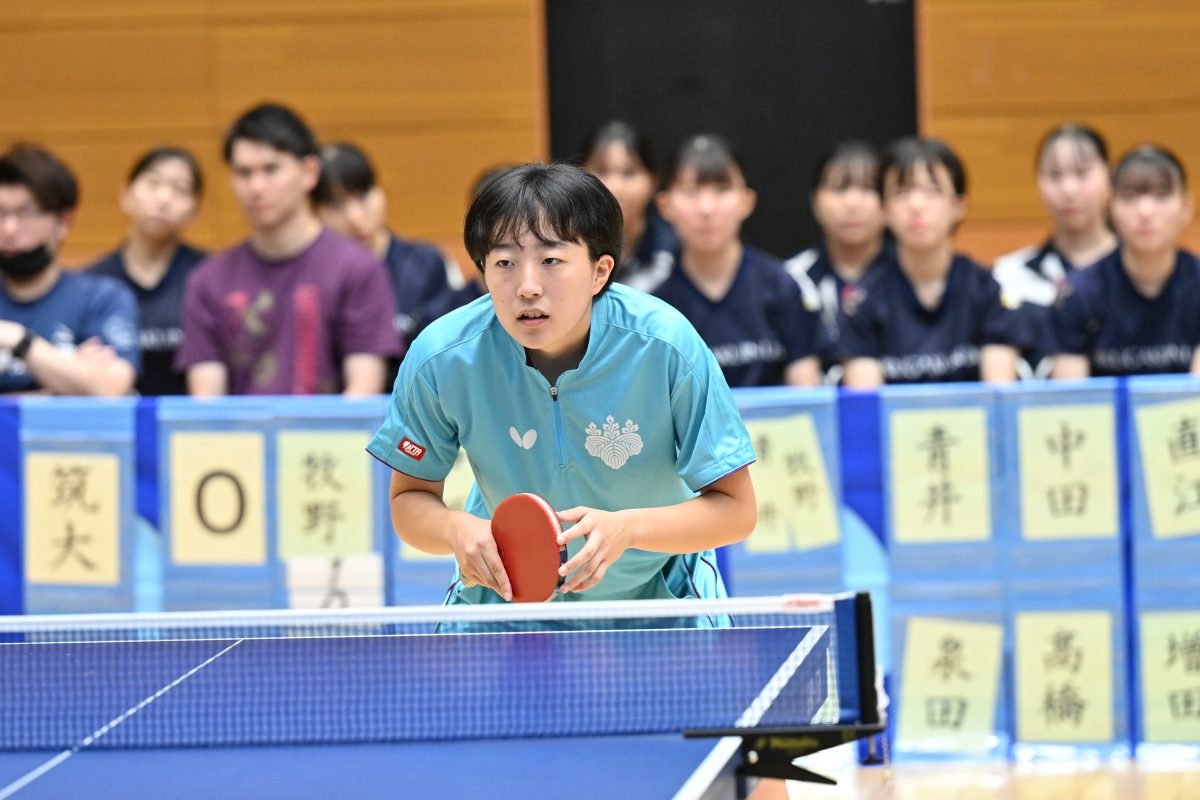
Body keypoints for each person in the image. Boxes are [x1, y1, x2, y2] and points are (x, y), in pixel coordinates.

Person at [366, 163, 756, 621]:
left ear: (599, 271)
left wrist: (628, 528)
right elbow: (409, 500)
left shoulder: (665, 346)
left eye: (551, 261)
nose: (527, 287)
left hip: (662, 598)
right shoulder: (442, 358)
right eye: (505, 263)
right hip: (507, 603)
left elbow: (736, 510)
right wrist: (456, 529)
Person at [176, 103, 400, 396]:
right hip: (241, 440)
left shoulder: (357, 269)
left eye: (271, 169)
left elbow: (363, 392)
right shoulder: (208, 280)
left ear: (309, 172)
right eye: (243, 173)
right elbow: (206, 405)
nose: (256, 186)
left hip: (328, 440)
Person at [838, 136, 1028, 386]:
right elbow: (867, 409)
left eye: (932, 191)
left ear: (958, 205)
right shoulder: (863, 300)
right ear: (884, 209)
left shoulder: (986, 290)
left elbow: (998, 399)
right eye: (901, 193)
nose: (916, 205)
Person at [642, 134, 822, 388]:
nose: (706, 208)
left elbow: (806, 400)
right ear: (665, 205)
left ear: (747, 201)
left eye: (722, 190)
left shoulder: (785, 287)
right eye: (691, 191)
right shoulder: (653, 309)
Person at [314, 142, 476, 367]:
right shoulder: (313, 277)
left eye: (363, 196)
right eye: (336, 205)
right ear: (314, 212)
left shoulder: (427, 264)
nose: (355, 217)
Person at [1051, 144, 1200, 378]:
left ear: (1187, 208)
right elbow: (1070, 403)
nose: (1145, 211)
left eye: (1161, 196)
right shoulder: (1078, 292)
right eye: (1130, 197)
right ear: (1110, 209)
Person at [0, 145, 139, 396]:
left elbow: (111, 389)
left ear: (64, 222)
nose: (9, 229)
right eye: (0, 213)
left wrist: (17, 339)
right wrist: (65, 383)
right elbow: (88, 390)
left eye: (25, 213)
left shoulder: (101, 298)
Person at [994, 124, 1117, 378]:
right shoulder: (1008, 274)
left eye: (1082, 174)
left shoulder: (1135, 273)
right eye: (1055, 175)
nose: (1068, 190)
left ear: (1109, 177)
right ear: (1038, 181)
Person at [87, 147, 206, 395]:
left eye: (180, 189)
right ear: (126, 196)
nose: (164, 198)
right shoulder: (92, 283)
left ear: (194, 211)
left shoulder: (208, 276)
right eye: (153, 183)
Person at [784, 141, 888, 381]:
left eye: (868, 188)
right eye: (839, 188)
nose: (852, 203)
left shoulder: (906, 277)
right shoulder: (792, 279)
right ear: (815, 202)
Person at [580, 121, 677, 290]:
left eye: (629, 172)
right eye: (601, 171)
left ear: (653, 181)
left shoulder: (675, 251)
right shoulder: (565, 247)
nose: (614, 187)